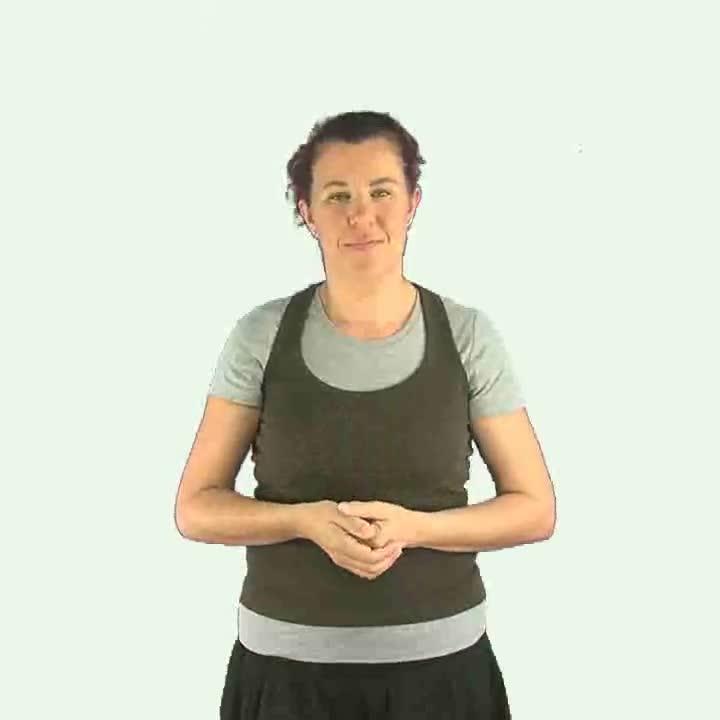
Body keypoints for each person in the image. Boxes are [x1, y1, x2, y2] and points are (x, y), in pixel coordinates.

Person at [174, 110, 556, 719]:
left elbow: (535, 508)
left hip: (444, 678)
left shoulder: (467, 337)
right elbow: (195, 507)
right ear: (306, 211)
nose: (361, 215)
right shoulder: (260, 336)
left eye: (381, 192)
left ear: (412, 203)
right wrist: (303, 520)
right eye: (337, 196)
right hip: (285, 678)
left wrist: (415, 529)